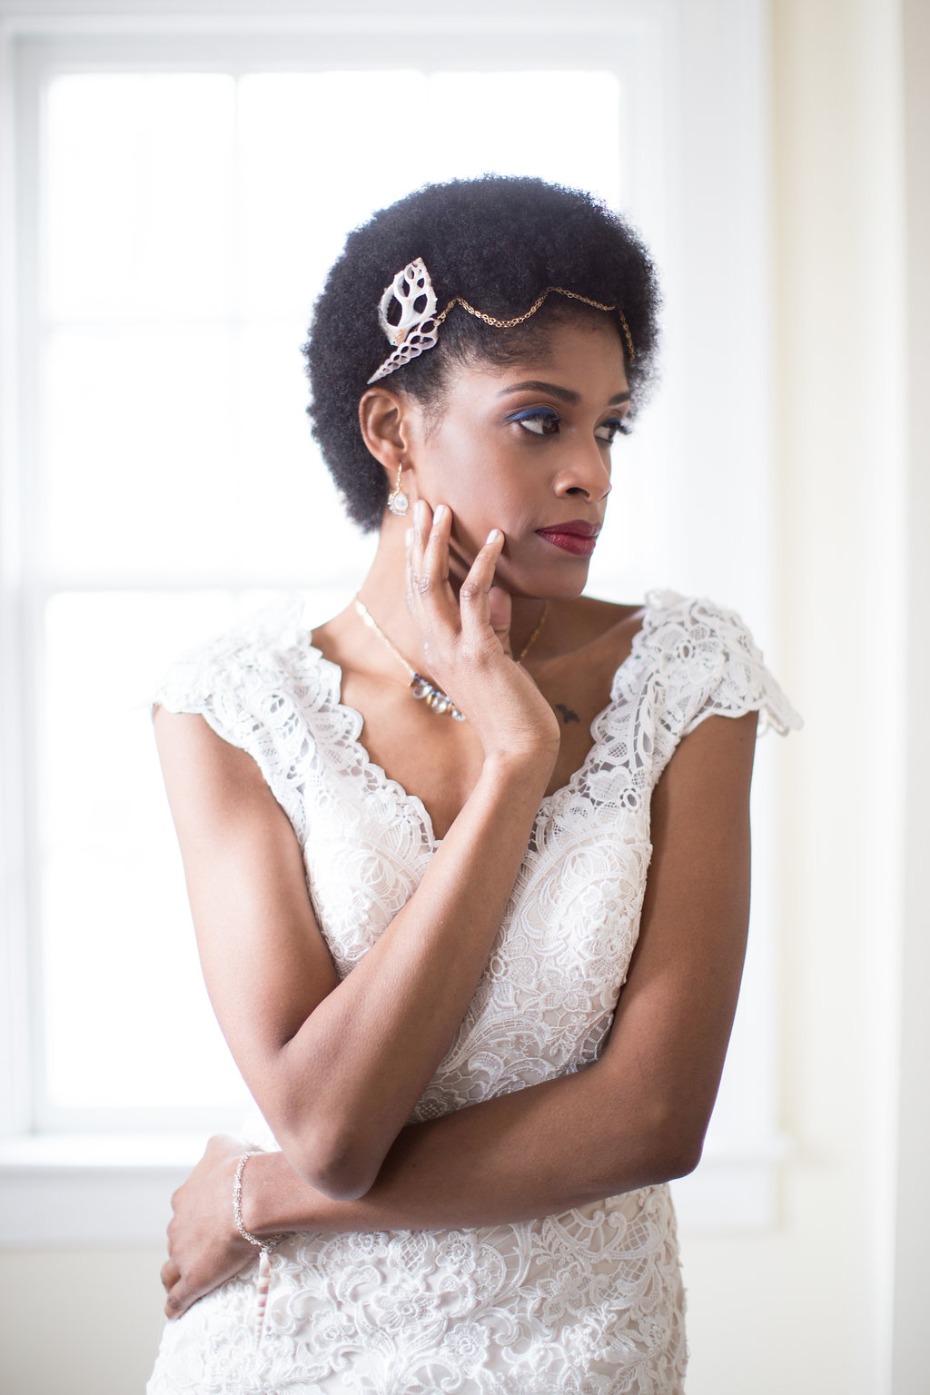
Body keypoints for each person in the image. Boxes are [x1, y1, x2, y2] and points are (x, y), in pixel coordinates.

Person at [147, 175, 799, 1395]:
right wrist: (513, 769)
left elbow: (657, 1119)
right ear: (394, 432)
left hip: (582, 1347)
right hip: (283, 1350)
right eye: (539, 420)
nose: (590, 475)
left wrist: (259, 1191)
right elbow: (333, 1126)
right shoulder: (229, 709)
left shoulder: (686, 676)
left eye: (610, 427)